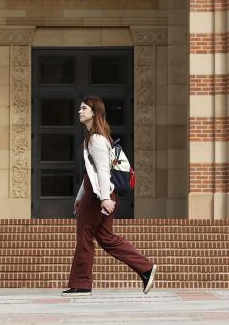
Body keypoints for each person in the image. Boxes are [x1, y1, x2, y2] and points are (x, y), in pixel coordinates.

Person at [62, 96, 158, 297]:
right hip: (96, 192)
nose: (80, 111)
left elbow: (104, 171)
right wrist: (79, 197)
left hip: (98, 194)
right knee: (107, 238)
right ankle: (146, 268)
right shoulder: (95, 137)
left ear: (94, 113)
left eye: (84, 108)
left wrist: (105, 198)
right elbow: (91, 173)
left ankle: (81, 283)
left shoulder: (96, 139)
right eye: (80, 108)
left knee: (84, 235)